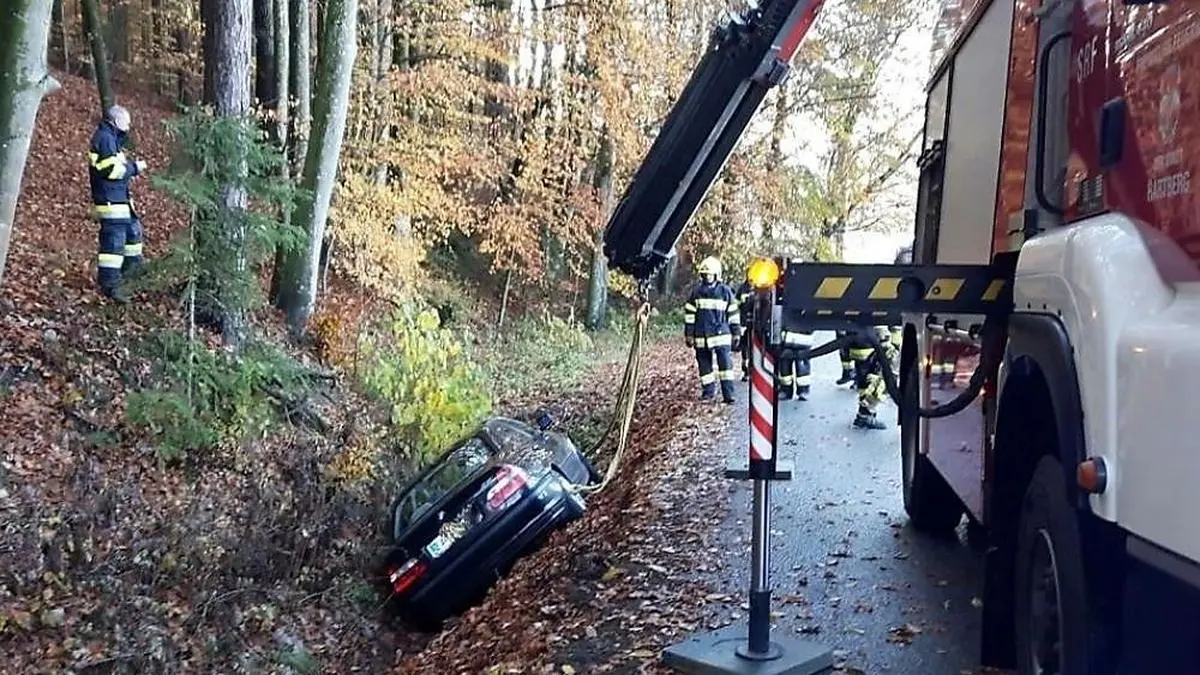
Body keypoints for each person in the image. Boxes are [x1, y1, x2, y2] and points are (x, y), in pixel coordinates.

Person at [88, 105, 147, 304]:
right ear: (116, 121)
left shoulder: (112, 139)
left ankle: (133, 273)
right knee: (113, 243)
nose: (129, 125)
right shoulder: (104, 139)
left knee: (133, 232)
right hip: (110, 201)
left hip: (120, 199)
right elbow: (111, 171)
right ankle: (110, 285)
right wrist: (134, 168)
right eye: (127, 121)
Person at [683, 256, 741, 403]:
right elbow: (689, 315)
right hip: (701, 336)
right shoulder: (696, 292)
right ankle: (708, 392)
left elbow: (733, 314)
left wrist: (736, 333)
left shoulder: (725, 292)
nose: (707, 277)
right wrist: (689, 334)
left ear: (717, 275)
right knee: (704, 366)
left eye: (710, 274)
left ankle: (729, 394)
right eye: (705, 274)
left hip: (721, 336)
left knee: (725, 367)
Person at [847, 325, 896, 430]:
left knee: (864, 377)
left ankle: (864, 414)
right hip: (872, 343)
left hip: (858, 341)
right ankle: (865, 414)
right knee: (878, 380)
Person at [777, 324, 814, 400]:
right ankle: (787, 390)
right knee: (785, 367)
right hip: (787, 340)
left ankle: (802, 390)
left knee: (802, 368)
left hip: (801, 339)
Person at [735, 271, 755, 380]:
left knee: (755, 349)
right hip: (744, 323)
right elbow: (735, 305)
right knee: (745, 348)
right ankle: (746, 371)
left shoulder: (760, 287)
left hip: (756, 324)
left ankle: (754, 371)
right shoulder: (742, 289)